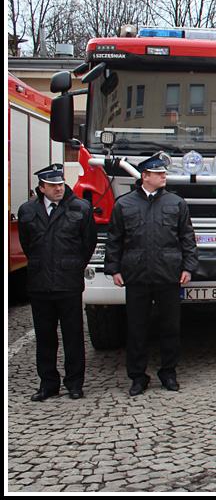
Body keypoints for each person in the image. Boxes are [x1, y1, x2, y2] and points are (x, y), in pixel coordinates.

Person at [105, 154, 198, 396]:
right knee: (136, 329)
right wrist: (114, 269)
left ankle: (168, 373)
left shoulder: (176, 203)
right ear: (144, 176)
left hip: (168, 274)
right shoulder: (124, 205)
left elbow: (187, 238)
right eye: (158, 173)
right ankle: (137, 377)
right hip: (137, 275)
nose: (163, 175)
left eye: (163, 172)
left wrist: (188, 266)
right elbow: (114, 240)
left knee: (170, 327)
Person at [17, 164, 97, 401]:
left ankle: (74, 384)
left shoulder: (80, 208)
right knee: (45, 338)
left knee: (73, 337)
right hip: (40, 283)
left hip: (68, 282)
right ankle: (48, 384)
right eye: (52, 185)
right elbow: (27, 244)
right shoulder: (27, 211)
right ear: (41, 188)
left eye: (60, 184)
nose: (58, 189)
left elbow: (88, 243)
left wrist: (71, 265)